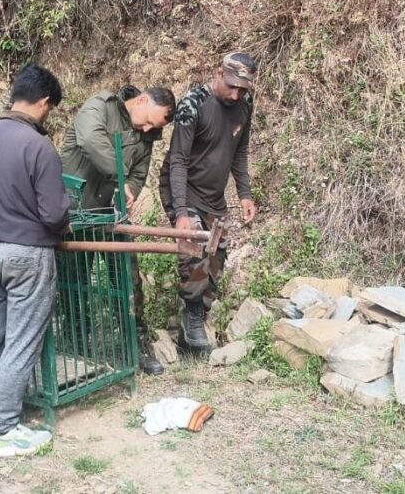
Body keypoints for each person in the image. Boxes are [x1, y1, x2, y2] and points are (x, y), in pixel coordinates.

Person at [0, 62, 70, 458]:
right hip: (27, 253)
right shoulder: (38, 145)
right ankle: (5, 429)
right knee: (21, 342)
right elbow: (54, 213)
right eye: (51, 108)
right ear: (43, 102)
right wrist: (65, 217)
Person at [61, 85, 175, 375]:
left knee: (127, 279)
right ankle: (74, 345)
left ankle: (136, 345)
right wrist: (120, 176)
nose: (149, 128)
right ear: (141, 100)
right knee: (74, 282)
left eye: (155, 126)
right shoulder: (101, 106)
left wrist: (132, 190)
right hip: (78, 211)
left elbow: (139, 173)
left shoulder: (146, 135)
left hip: (113, 215)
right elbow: (89, 140)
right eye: (149, 120)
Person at [158, 52, 259, 354]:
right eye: (231, 86)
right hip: (184, 189)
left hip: (214, 196)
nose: (236, 94)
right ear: (218, 73)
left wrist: (244, 194)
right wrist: (180, 212)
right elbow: (177, 160)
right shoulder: (194, 104)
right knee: (194, 255)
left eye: (243, 88)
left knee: (216, 257)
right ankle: (192, 319)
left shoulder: (244, 105)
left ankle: (193, 324)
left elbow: (239, 154)